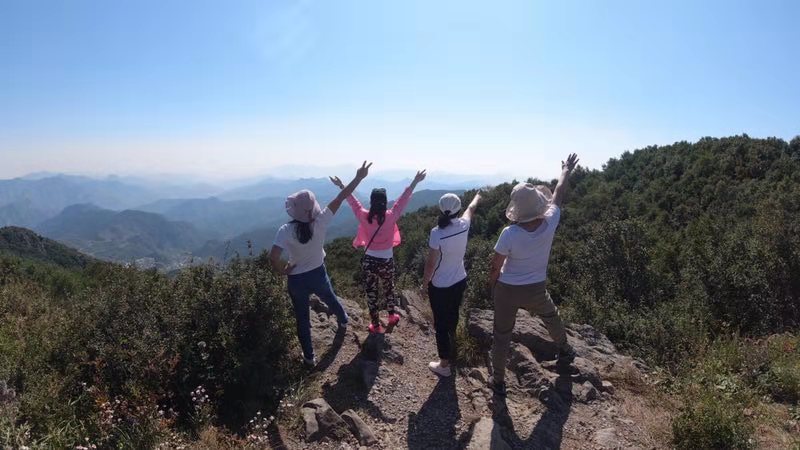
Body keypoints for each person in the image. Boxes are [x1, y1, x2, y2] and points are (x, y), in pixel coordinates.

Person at [488, 153, 580, 396]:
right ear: (539, 204)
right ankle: (565, 349)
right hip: (536, 289)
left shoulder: (509, 233)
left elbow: (496, 266)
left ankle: (498, 381)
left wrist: (493, 286)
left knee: (502, 335)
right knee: (551, 316)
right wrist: (566, 170)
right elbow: (558, 192)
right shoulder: (550, 221)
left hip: (507, 290)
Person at [270, 161, 372, 367]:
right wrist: (359, 177)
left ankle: (309, 357)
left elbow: (273, 257)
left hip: (296, 279)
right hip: (317, 272)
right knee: (330, 297)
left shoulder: (285, 230)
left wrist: (284, 270)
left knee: (302, 318)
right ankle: (343, 320)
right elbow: (341, 197)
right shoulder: (321, 220)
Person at [331, 170, 427, 333]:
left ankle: (375, 325)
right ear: (385, 202)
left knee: (372, 293)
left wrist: (341, 185)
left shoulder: (364, 216)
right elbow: (403, 200)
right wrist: (415, 181)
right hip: (387, 260)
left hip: (369, 260)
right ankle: (392, 316)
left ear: (371, 201)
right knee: (389, 288)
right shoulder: (391, 216)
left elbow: (353, 202)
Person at [422, 191, 482, 377]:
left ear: (441, 209)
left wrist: (424, 284)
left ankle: (444, 365)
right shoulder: (464, 224)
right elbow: (471, 208)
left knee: (440, 323)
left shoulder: (437, 233)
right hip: (459, 280)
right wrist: (478, 196)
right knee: (453, 314)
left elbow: (430, 264)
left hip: (440, 285)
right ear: (458, 209)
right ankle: (452, 344)